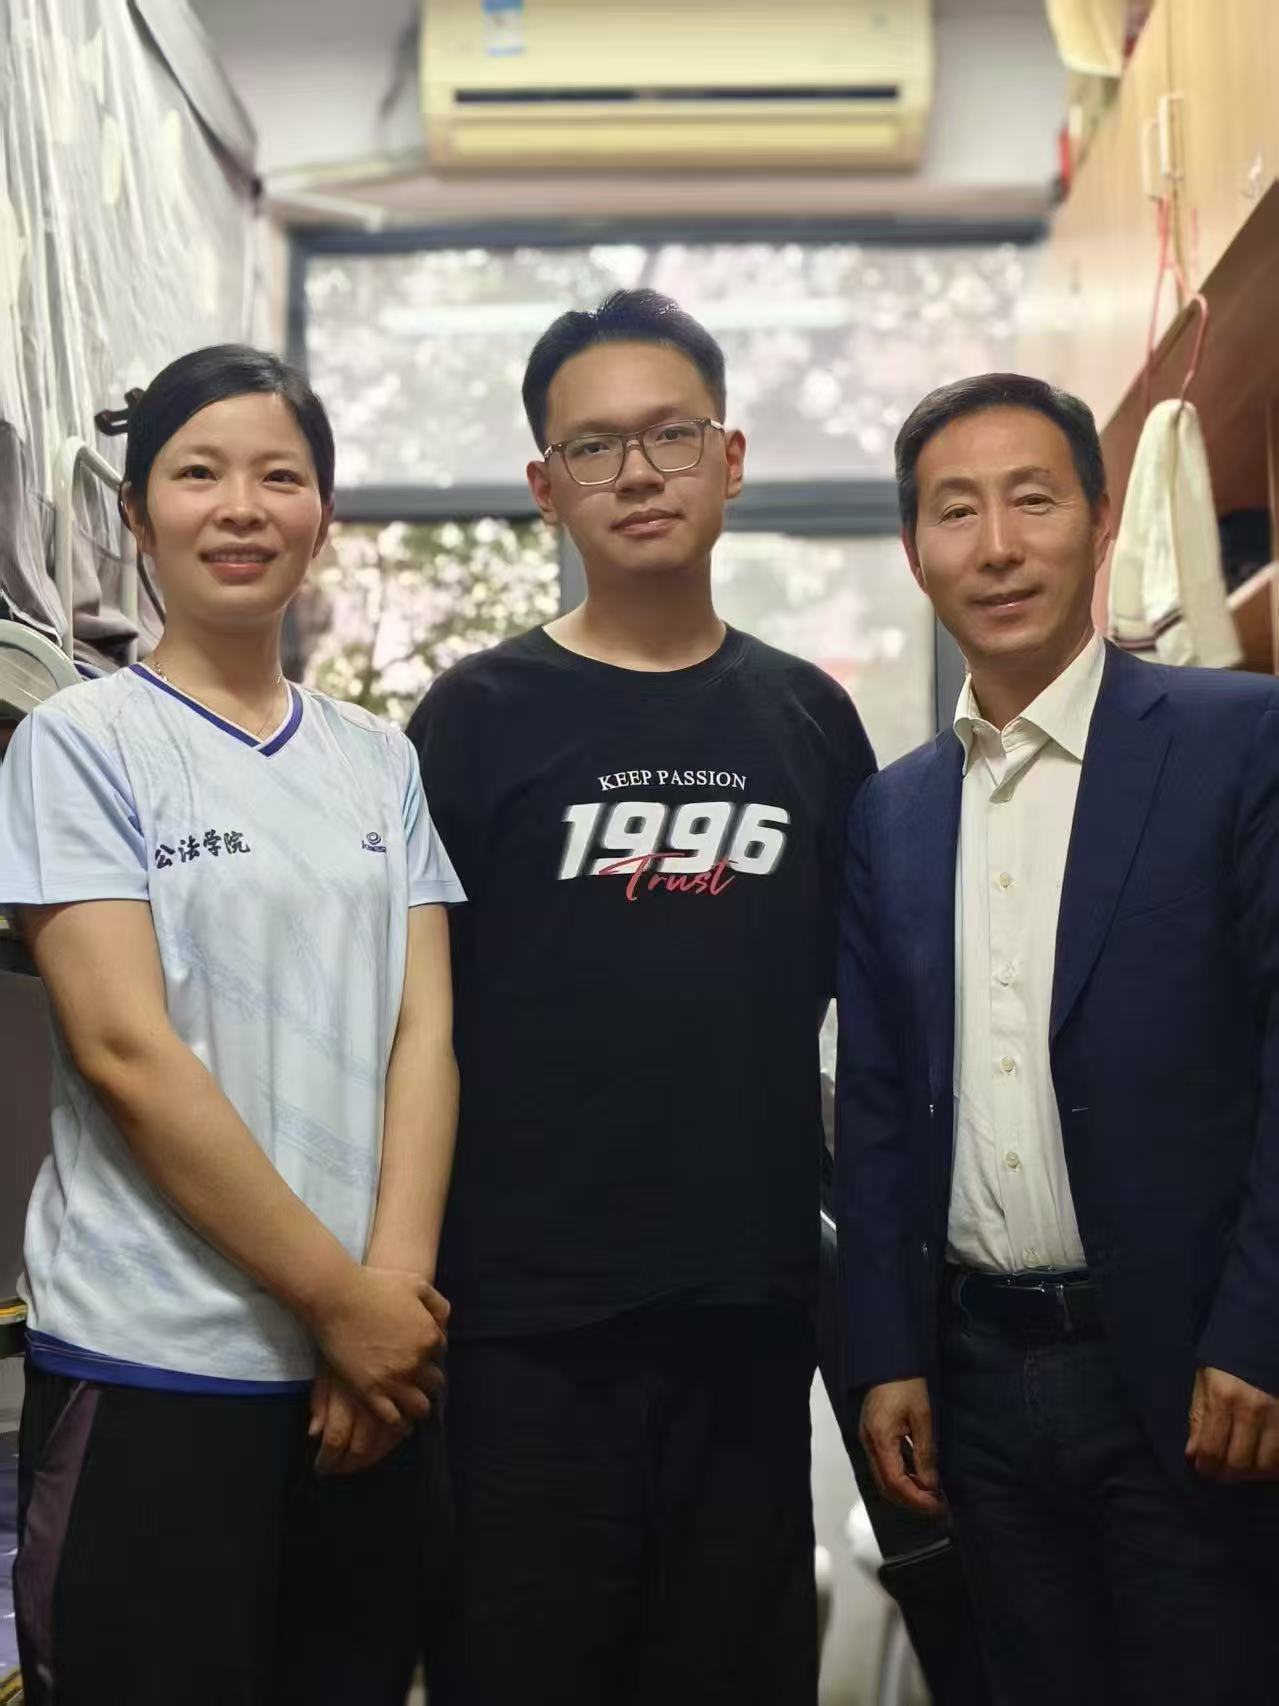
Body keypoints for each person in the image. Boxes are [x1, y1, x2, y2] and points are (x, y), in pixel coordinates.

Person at [407, 288, 876, 1705]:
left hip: (746, 1310)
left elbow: (868, 1011)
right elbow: (414, 1028)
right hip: (520, 1330)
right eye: (594, 446)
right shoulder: (472, 719)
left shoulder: (809, 720)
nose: (638, 472)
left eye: (670, 434)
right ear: (544, 486)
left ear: (729, 459)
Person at [0, 345, 465, 1705]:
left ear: (323, 517)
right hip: (155, 1364)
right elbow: (124, 1053)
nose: (242, 507)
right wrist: (341, 1304)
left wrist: (389, 1309)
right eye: (198, 474)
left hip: (364, 1381)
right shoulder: (80, 743)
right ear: (138, 518)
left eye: (281, 476)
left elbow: (424, 1036)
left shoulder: (379, 758)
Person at [835, 371, 1279, 1706]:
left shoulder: (1237, 740)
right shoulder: (895, 812)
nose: (998, 546)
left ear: (1098, 518)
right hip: (975, 1381)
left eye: (1032, 500)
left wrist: (1262, 1331)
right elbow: (879, 1098)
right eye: (955, 511)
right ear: (915, 550)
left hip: (1189, 1370)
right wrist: (885, 1354)